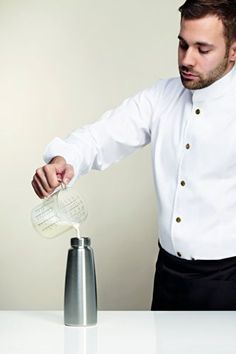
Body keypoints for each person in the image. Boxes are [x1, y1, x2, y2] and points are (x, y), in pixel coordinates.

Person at [32, 0, 236, 310]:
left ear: (233, 50)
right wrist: (64, 159)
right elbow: (101, 136)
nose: (187, 59)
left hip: (227, 281)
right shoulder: (162, 97)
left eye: (202, 49)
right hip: (168, 276)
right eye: (182, 45)